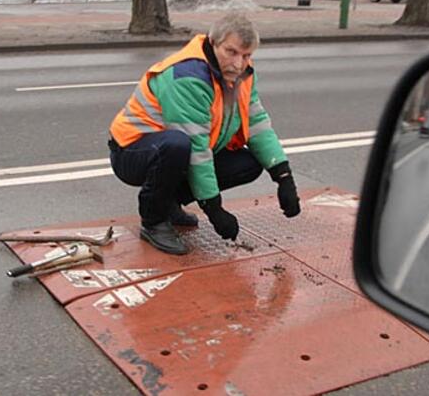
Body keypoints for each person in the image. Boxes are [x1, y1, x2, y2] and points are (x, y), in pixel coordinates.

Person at [108, 13, 301, 255]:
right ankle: (153, 221)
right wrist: (214, 209)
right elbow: (197, 148)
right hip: (132, 151)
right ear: (213, 42)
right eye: (231, 52)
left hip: (178, 149)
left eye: (247, 55)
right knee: (177, 145)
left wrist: (284, 177)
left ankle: (168, 203)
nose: (239, 63)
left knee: (249, 163)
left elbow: (256, 123)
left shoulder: (242, 74)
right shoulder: (188, 74)